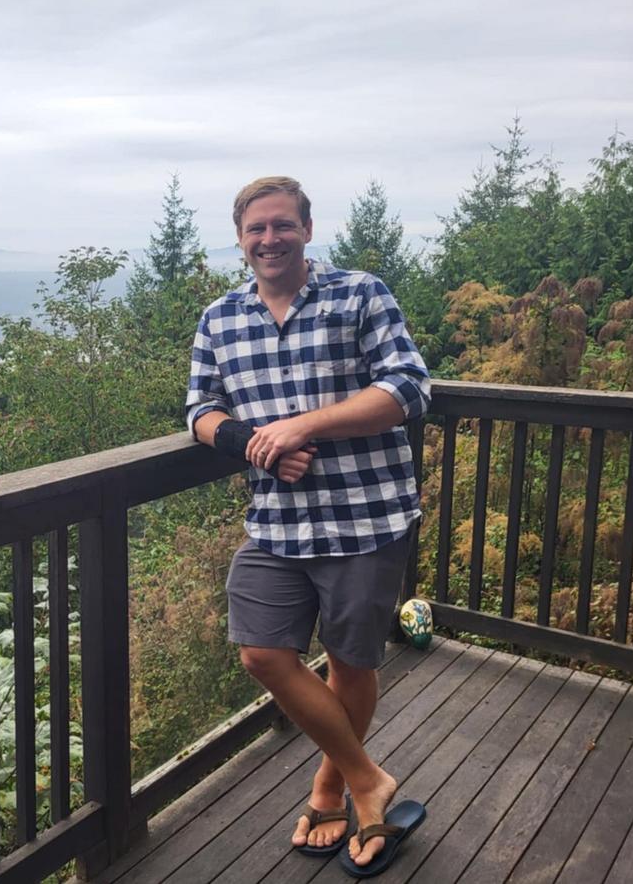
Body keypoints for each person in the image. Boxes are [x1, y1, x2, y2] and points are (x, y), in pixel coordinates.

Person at [185, 176, 431, 874]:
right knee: (262, 653)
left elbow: (408, 387)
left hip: (365, 517)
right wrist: (254, 442)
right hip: (276, 522)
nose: (270, 239)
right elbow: (199, 408)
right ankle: (367, 777)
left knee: (351, 662)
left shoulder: (360, 293)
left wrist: (302, 427)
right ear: (240, 239)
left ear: (307, 229)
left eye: (282, 225)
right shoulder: (220, 318)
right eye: (256, 229)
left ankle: (331, 786)